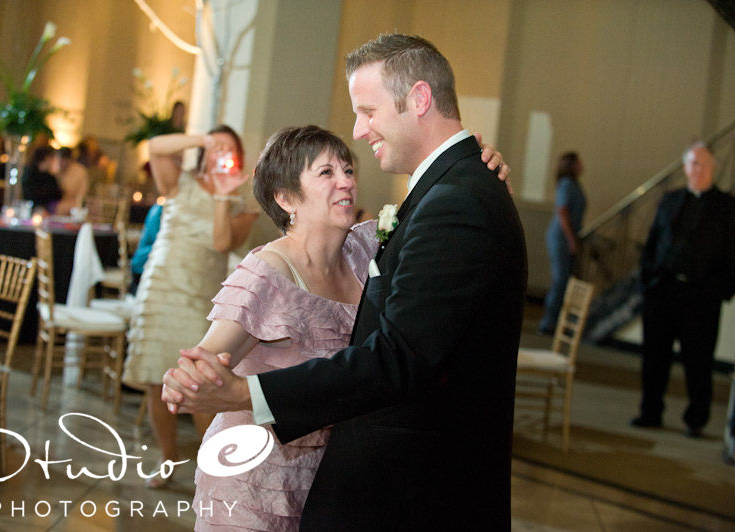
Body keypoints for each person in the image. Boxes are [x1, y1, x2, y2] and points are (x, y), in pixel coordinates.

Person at [163, 34, 526, 530]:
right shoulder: (447, 196)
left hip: (410, 490)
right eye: (325, 171)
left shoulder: (443, 208)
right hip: (277, 478)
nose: (359, 130)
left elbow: (399, 358)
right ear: (286, 196)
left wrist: (248, 394)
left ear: (419, 99)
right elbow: (210, 354)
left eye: (368, 111)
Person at [122, 125, 259, 488]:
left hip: (199, 294)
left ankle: (214, 466)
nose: (220, 153)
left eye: (229, 149)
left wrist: (222, 198)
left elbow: (220, 244)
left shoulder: (243, 201)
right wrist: (202, 139)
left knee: (199, 384)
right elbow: (154, 145)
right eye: (216, 147)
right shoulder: (178, 181)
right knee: (156, 380)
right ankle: (167, 458)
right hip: (160, 286)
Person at [632, 142, 735, 438]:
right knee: (654, 358)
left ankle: (696, 419)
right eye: (693, 164)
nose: (697, 170)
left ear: (713, 168)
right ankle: (650, 412)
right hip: (663, 292)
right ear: (685, 168)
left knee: (699, 363)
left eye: (703, 164)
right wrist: (648, 280)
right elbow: (652, 243)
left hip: (701, 299)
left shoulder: (727, 207)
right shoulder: (671, 199)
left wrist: (718, 291)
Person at [538, 152, 586, 334]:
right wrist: (571, 239)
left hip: (568, 236)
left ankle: (557, 321)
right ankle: (547, 323)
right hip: (561, 237)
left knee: (565, 281)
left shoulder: (574, 184)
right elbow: (562, 211)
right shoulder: (567, 184)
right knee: (559, 280)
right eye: (579, 162)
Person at [128, 202, 162, 294]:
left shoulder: (156, 208)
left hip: (139, 261)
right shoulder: (160, 211)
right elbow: (157, 240)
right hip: (142, 265)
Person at [21, 145, 62, 212]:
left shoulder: (50, 177)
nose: (53, 161)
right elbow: (29, 195)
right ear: (46, 158)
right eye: (52, 158)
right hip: (32, 209)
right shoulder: (30, 174)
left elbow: (57, 195)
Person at [53, 147, 89, 215]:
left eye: (65, 160)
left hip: (72, 205)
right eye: (60, 160)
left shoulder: (80, 172)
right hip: (53, 204)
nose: (62, 163)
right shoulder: (52, 168)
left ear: (70, 160)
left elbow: (82, 194)